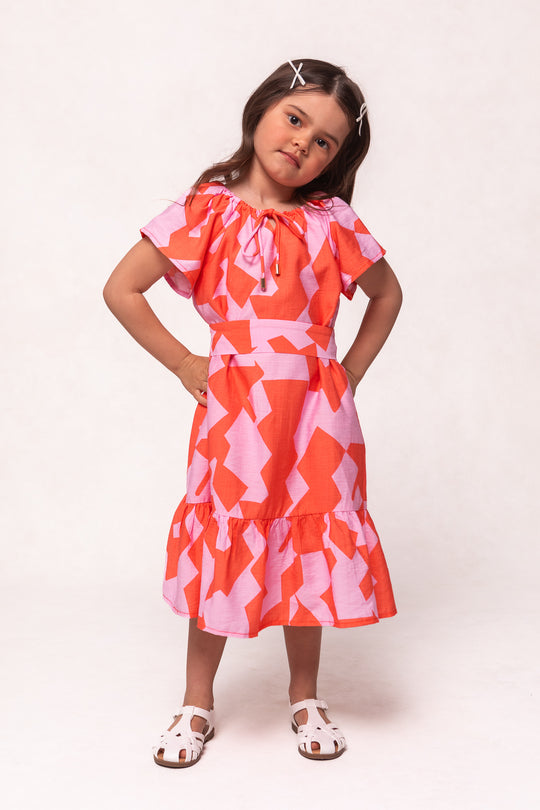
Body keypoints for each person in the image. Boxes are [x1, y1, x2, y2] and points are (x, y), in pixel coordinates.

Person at [103, 58, 403, 767]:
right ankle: (196, 700)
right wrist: (184, 362)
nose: (304, 143)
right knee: (227, 533)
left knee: (305, 542)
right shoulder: (206, 209)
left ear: (339, 158)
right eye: (296, 119)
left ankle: (305, 694)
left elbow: (388, 296)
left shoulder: (333, 221)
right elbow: (122, 288)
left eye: (326, 140)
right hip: (236, 413)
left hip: (316, 418)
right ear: (262, 109)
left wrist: (349, 372)